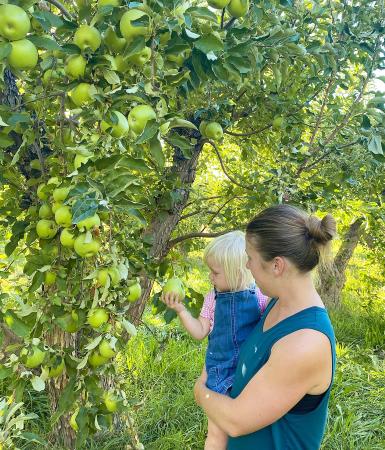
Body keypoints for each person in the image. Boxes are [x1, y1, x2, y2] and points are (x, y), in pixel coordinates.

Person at [194, 204, 337, 450]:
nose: (247, 266)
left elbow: (235, 420)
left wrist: (200, 390)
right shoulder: (275, 303)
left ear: (277, 266)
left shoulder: (305, 342)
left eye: (250, 258)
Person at [161, 231, 268, 450]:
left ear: (237, 273)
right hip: (219, 370)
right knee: (217, 434)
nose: (210, 277)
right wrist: (181, 311)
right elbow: (200, 331)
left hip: (251, 372)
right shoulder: (213, 298)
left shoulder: (261, 296)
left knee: (248, 428)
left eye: (215, 272)